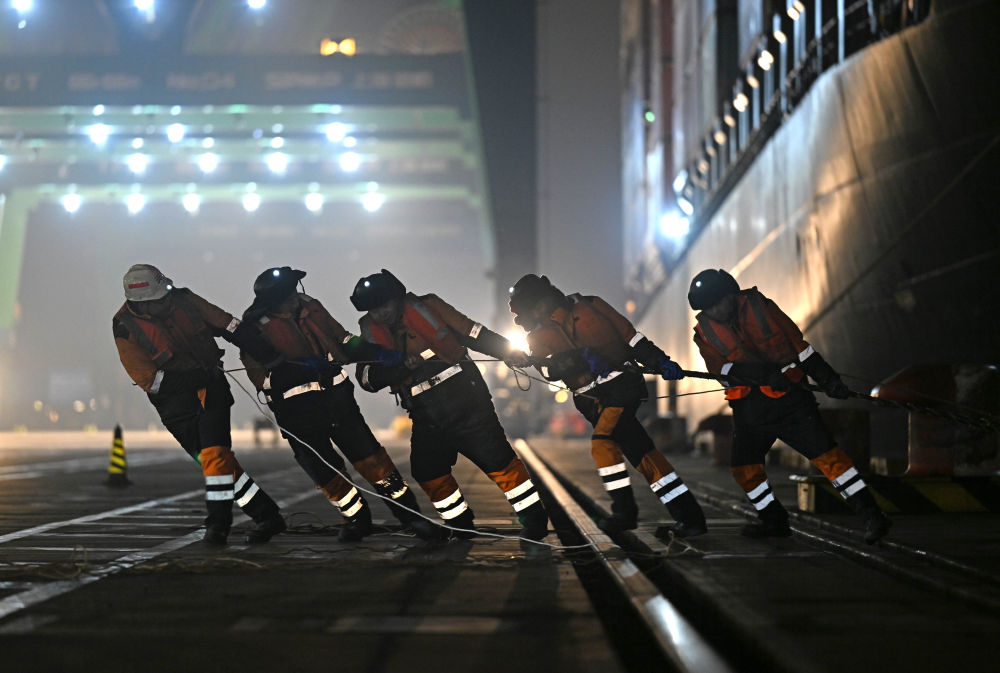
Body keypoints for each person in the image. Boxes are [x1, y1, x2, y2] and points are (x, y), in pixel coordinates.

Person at [687, 268, 891, 543]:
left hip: (791, 402)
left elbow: (800, 347)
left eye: (717, 303)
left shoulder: (762, 307)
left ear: (731, 295)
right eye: (708, 308)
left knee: (829, 458)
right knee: (744, 470)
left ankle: (872, 516)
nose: (714, 312)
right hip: (750, 410)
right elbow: (721, 369)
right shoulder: (704, 334)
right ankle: (774, 520)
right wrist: (762, 374)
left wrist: (828, 379)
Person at [239, 266, 438, 542]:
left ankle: (411, 516)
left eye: (296, 290)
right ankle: (357, 519)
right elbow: (262, 379)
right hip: (297, 415)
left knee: (374, 461)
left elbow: (343, 340)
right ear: (273, 301)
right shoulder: (252, 328)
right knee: (326, 472)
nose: (296, 297)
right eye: (289, 294)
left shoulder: (311, 306)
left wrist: (378, 353)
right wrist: (299, 370)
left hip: (338, 401)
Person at [349, 269, 550, 541]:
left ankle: (534, 520)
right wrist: (396, 368)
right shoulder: (370, 334)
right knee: (426, 470)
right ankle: (459, 523)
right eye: (374, 310)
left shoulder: (429, 307)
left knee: (499, 461)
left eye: (384, 305)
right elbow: (367, 380)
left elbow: (474, 333)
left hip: (468, 403)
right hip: (426, 415)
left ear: (397, 299)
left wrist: (507, 352)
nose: (380, 313)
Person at [508, 274, 707, 540]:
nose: (530, 315)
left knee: (603, 443)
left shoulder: (591, 305)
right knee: (641, 452)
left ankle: (625, 513)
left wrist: (660, 360)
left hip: (623, 388)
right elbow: (548, 370)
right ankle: (689, 517)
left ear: (543, 300)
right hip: (592, 402)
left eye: (531, 308)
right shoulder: (537, 337)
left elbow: (631, 338)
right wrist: (579, 358)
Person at [112, 264, 287, 545]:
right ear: (142, 305)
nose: (168, 300)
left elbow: (228, 325)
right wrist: (197, 376)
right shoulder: (125, 327)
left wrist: (269, 355)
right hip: (176, 406)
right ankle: (266, 515)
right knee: (215, 465)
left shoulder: (183, 299)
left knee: (216, 458)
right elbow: (151, 381)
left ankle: (218, 525)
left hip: (212, 392)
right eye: (161, 299)